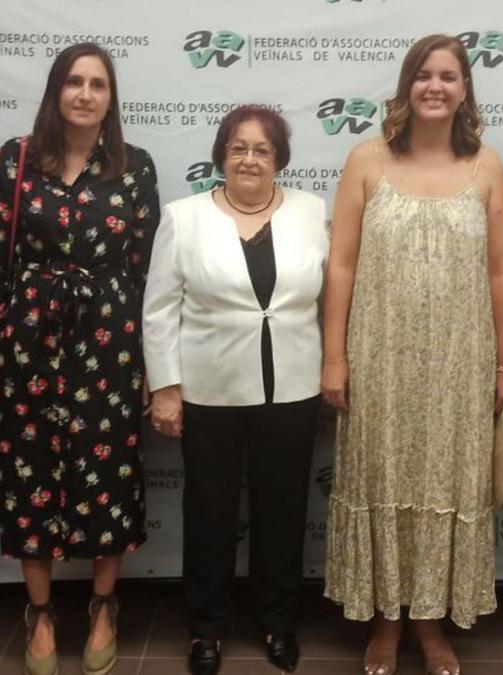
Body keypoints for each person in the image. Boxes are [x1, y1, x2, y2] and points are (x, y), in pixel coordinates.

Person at [321, 34, 503, 675]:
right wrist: (334, 358)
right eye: (424, 75)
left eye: (450, 76)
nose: (436, 86)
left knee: (447, 484)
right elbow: (343, 264)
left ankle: (432, 624)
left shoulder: (486, 165)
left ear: (466, 89)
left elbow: (501, 272)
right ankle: (385, 623)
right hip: (378, 356)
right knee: (383, 480)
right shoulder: (365, 161)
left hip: (460, 361)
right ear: (407, 86)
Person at [0, 42, 159, 675]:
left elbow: (144, 275)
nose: (85, 94)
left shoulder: (134, 168)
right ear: (56, 91)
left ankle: (104, 605)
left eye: (97, 85)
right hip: (31, 343)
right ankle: (41, 613)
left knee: (108, 480)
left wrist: (152, 367)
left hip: (110, 345)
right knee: (30, 476)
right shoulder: (15, 160)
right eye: (74, 82)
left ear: (111, 98)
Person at [142, 105, 328, 675]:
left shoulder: (312, 211)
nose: (250, 159)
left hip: (293, 388)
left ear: (280, 160)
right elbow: (158, 310)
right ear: (222, 154)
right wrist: (166, 388)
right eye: (239, 148)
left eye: (263, 150)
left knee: (283, 510)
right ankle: (206, 629)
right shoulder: (184, 216)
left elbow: (332, 298)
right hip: (209, 391)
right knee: (210, 512)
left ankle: (278, 622)